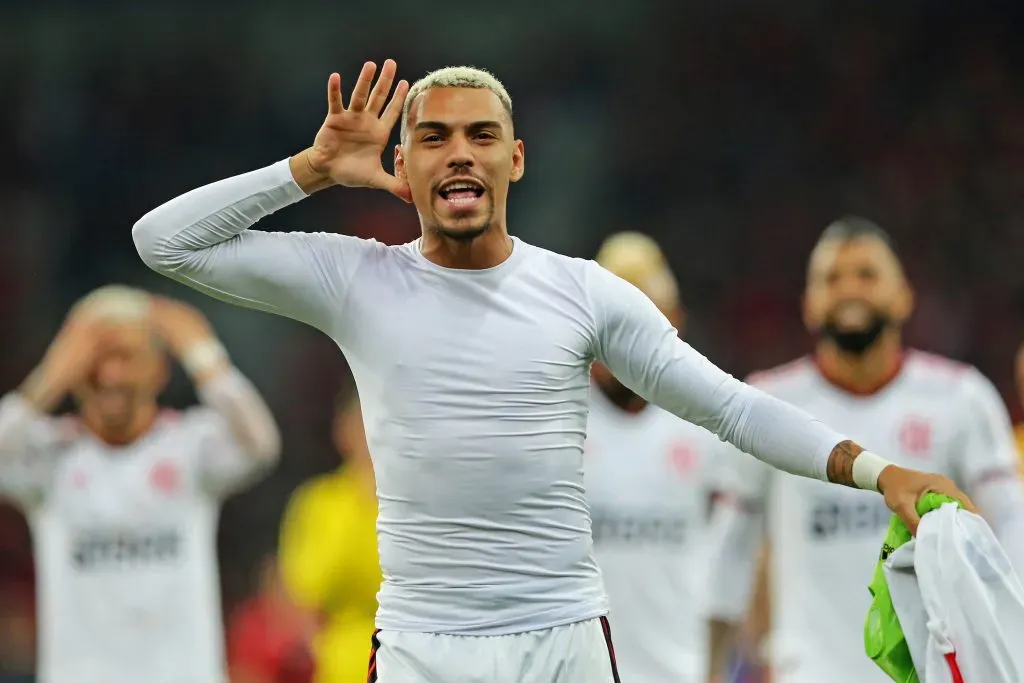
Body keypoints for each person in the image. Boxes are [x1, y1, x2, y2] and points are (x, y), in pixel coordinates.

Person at [132, 60, 971, 683]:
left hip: (562, 637)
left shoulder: (581, 293)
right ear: (405, 165)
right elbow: (164, 241)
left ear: (517, 160)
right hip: (423, 642)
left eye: (480, 135)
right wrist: (310, 170)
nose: (459, 153)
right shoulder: (360, 279)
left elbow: (731, 409)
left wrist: (878, 470)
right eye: (433, 137)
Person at [703, 217, 1024, 683]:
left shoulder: (961, 399)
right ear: (809, 304)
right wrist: (710, 668)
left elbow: (1012, 525)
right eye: (831, 278)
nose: (849, 289)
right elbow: (729, 554)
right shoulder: (768, 405)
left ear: (904, 296)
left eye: (867, 275)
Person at [0, 286, 281, 683]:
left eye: (126, 357)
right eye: (95, 359)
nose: (110, 375)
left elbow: (261, 447)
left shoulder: (189, 447)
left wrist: (206, 359)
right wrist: (46, 379)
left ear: (159, 369)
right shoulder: (49, 457)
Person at [583, 230, 723, 683]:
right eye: (614, 320)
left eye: (643, 318)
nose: (628, 339)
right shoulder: (554, 418)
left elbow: (743, 550)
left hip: (680, 671)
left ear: (673, 322)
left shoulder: (707, 425)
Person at [277, 392, 381, 683]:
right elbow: (305, 594)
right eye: (362, 422)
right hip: (340, 664)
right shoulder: (319, 502)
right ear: (342, 430)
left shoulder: (420, 505)